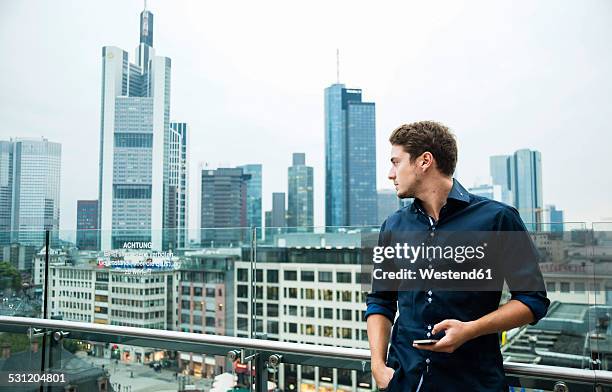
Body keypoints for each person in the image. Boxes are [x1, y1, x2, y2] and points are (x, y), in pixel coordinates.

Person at [366, 121, 550, 391]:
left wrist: (471, 329)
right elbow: (381, 301)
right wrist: (378, 367)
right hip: (404, 381)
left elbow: (532, 300)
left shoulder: (498, 218)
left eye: (396, 162)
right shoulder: (393, 226)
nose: (391, 174)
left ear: (424, 161)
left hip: (472, 382)